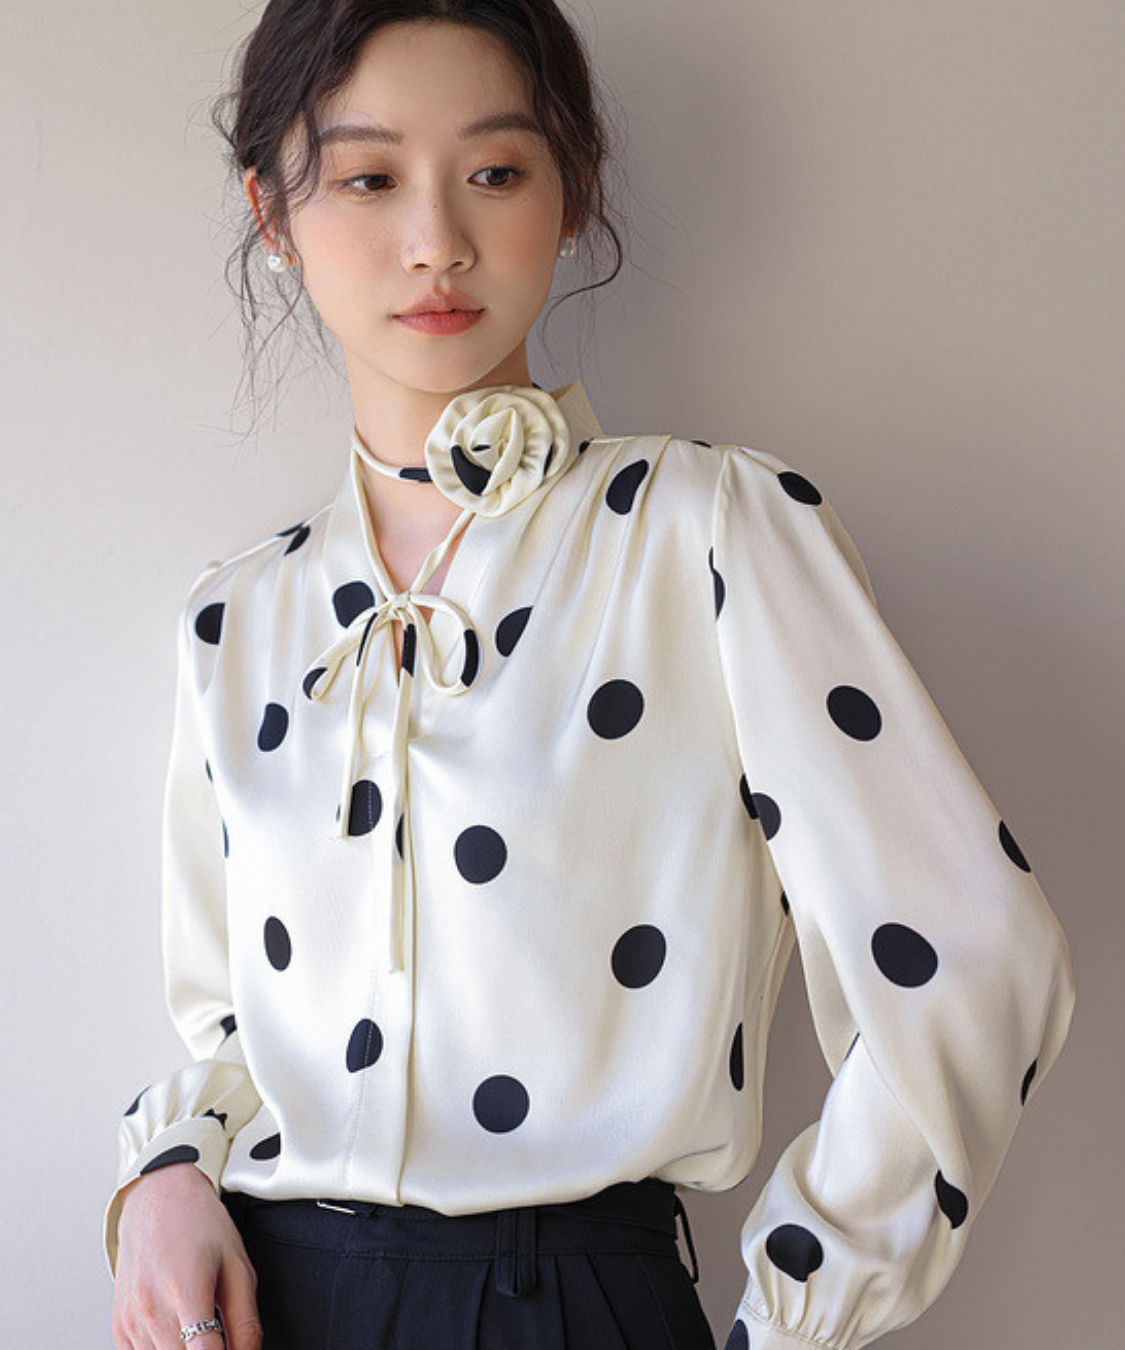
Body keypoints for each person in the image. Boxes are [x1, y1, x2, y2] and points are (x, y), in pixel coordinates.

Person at [105, 3, 1077, 1349]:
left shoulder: (711, 533)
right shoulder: (236, 617)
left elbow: (969, 954)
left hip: (570, 1303)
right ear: (273, 211)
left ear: (571, 193)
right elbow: (230, 1023)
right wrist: (166, 1172)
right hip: (265, 1298)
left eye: (495, 171)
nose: (436, 239)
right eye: (369, 178)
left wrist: (794, 1318)